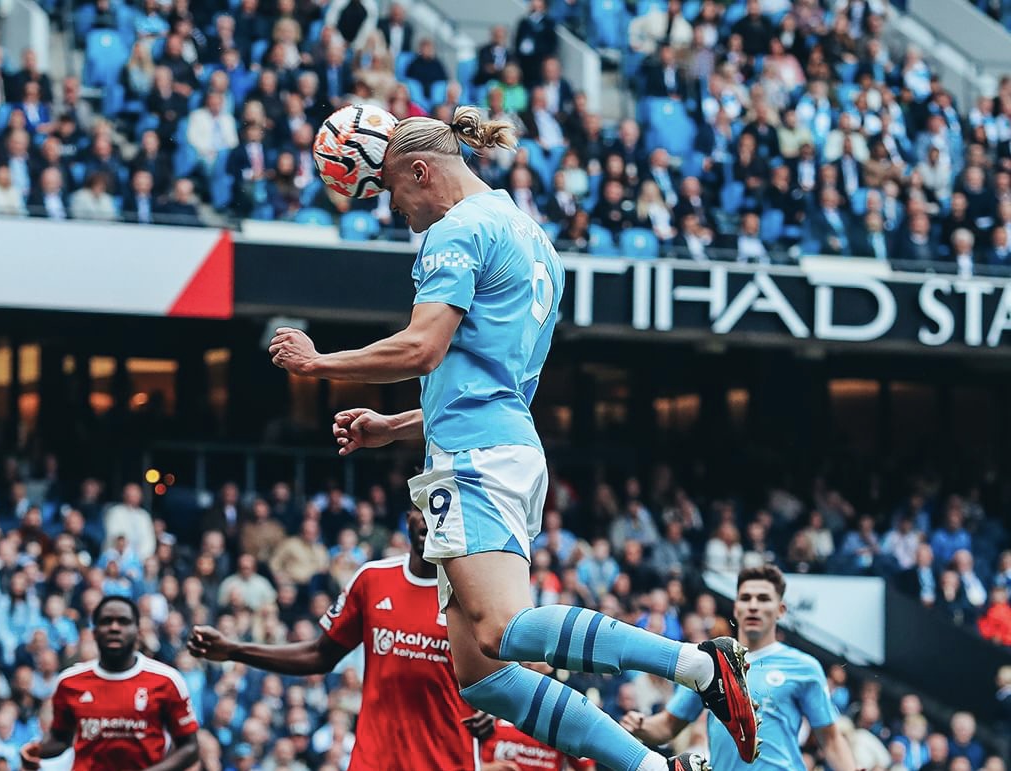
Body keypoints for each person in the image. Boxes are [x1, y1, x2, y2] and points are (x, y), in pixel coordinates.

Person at [265, 105, 759, 771]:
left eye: (390, 188)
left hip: (474, 457)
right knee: (484, 676)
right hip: (501, 445)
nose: (393, 207)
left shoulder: (454, 231)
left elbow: (423, 346)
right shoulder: (534, 242)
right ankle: (652, 767)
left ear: (420, 170)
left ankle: (699, 663)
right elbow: (497, 383)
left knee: (500, 628)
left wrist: (319, 364)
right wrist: (398, 425)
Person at [187, 509, 498, 771]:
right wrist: (233, 650)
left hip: (447, 762)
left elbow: (510, 671)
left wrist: (498, 708)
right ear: (408, 517)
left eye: (442, 509)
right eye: (423, 508)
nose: (432, 519)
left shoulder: (476, 593)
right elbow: (318, 654)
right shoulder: (372, 579)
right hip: (373, 760)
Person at [620, 565, 859, 771]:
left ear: (781, 610)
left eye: (763, 599)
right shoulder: (708, 661)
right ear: (736, 608)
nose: (753, 605)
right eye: (746, 598)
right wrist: (640, 725)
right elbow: (667, 726)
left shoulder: (805, 667)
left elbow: (831, 740)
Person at [20, 596, 200, 770]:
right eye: (106, 621)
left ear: (137, 631)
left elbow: (189, 747)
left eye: (123, 621)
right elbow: (61, 739)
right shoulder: (70, 682)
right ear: (94, 632)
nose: (114, 627)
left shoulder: (166, 680)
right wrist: (37, 750)